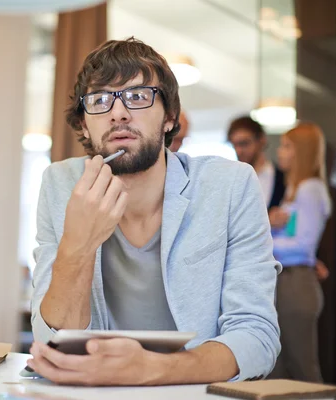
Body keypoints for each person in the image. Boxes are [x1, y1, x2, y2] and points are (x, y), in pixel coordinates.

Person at [28, 37, 280, 386]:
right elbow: (51, 342)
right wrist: (77, 245)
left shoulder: (229, 185)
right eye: (100, 99)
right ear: (84, 125)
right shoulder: (61, 184)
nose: (118, 112)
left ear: (169, 118)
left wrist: (150, 369)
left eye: (138, 96)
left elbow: (257, 337)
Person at [228, 117, 329, 281]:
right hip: (264, 271)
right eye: (235, 144)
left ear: (261, 140)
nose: (239, 150)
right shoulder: (231, 182)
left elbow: (304, 241)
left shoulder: (293, 183)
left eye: (244, 143)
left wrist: (307, 259)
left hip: (288, 272)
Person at [267, 122, 331, 382]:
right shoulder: (295, 190)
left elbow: (303, 247)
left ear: (301, 152)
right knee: (280, 366)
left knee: (302, 368)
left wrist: (262, 245)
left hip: (296, 282)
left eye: (286, 146)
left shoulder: (310, 189)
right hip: (286, 281)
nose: (280, 152)